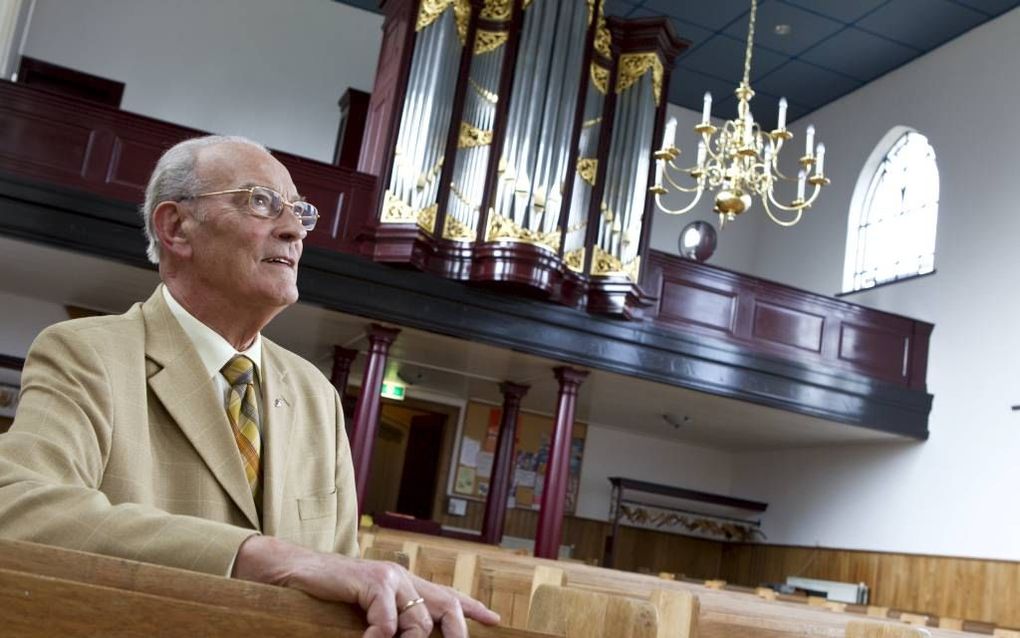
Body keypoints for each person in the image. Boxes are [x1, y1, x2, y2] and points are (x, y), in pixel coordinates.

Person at [0, 135, 499, 637]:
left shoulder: (316, 395)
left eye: (300, 213)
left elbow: (338, 570)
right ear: (176, 227)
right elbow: (17, 509)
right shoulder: (86, 354)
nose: (293, 231)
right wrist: (256, 555)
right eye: (260, 202)